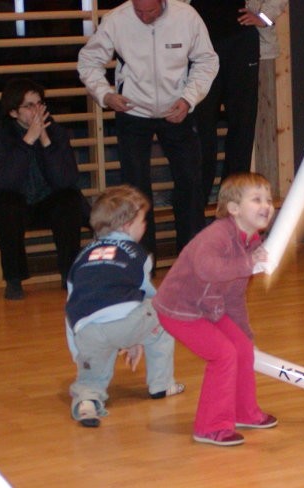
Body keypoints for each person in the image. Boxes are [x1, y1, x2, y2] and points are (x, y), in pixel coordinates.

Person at [77, 0, 219, 260]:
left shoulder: (186, 17)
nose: (143, 17)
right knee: (136, 189)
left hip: (178, 109)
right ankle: (142, 260)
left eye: (150, 11)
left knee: (190, 182)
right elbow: (88, 61)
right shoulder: (116, 19)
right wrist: (105, 95)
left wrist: (189, 98)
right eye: (138, 11)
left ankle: (191, 258)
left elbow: (207, 61)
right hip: (132, 111)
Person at [152, 172, 277, 447]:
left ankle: (245, 413)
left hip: (209, 308)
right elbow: (208, 269)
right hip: (179, 310)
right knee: (224, 355)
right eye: (256, 199)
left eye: (268, 199)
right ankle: (210, 427)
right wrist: (248, 264)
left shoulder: (250, 242)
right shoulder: (217, 235)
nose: (266, 205)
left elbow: (234, 295)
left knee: (242, 348)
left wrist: (246, 335)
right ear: (233, 208)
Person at [65, 185, 184, 428]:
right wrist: (134, 336)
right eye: (143, 220)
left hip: (86, 329)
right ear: (127, 225)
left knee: (91, 378)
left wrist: (78, 351)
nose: (145, 225)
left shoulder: (81, 256)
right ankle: (161, 385)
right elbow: (150, 298)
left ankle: (86, 402)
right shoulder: (137, 254)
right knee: (164, 312)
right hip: (125, 321)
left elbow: (71, 304)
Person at [0, 78, 86, 300]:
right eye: (29, 106)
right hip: (15, 205)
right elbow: (5, 182)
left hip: (46, 203)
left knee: (69, 200)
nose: (36, 110)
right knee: (7, 204)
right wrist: (28, 140)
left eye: (39, 104)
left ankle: (70, 275)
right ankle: (14, 280)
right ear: (13, 113)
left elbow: (66, 180)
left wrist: (45, 140)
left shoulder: (56, 132)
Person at [191, 0, 285, 205]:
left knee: (242, 125)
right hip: (200, 42)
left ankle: (233, 201)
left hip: (241, 39)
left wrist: (265, 17)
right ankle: (197, 203)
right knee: (201, 127)